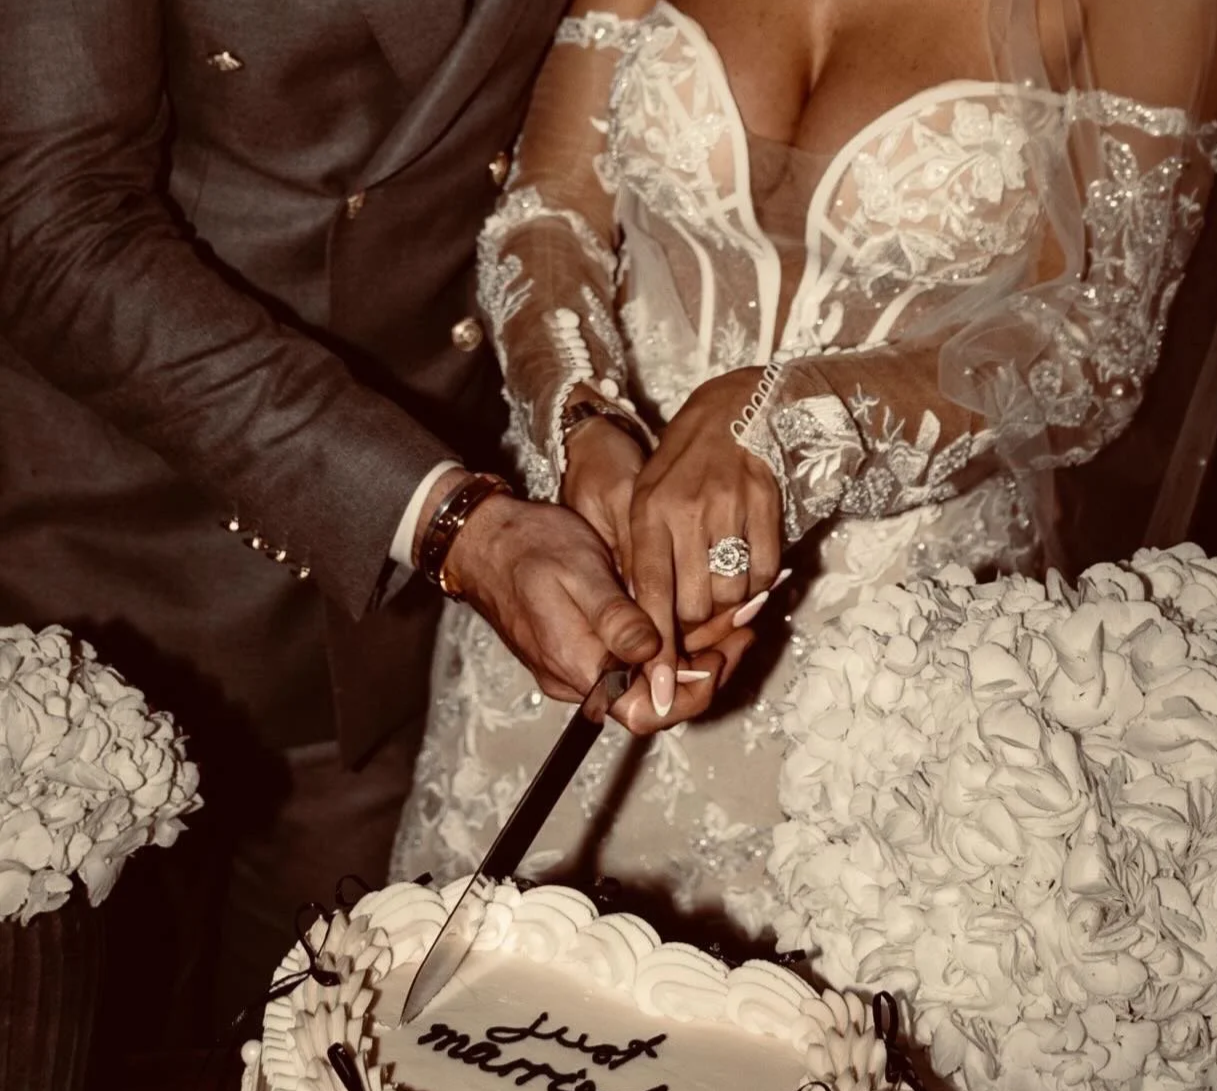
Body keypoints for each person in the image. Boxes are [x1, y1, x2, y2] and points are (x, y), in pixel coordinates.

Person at [392, 0, 1217, 960]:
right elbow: (550, 205)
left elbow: (1094, 344)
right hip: (575, 576)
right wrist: (581, 419)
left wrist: (797, 421)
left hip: (883, 672)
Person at [0, 0, 746, 1027]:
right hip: (106, 575)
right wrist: (449, 522)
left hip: (385, 637)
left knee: (310, 1072)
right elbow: (53, 221)